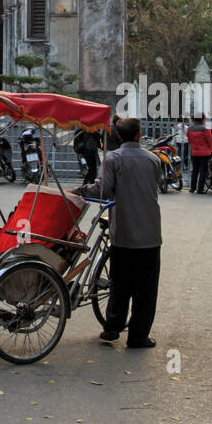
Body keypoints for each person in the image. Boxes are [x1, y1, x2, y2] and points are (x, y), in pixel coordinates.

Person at [76, 116, 162, 349]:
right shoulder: (153, 159)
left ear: (118, 136)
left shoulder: (113, 158)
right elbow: (157, 183)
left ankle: (112, 328)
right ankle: (138, 336)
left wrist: (80, 190)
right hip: (150, 235)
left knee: (120, 284)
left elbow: (102, 189)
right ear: (138, 135)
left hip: (123, 233)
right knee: (146, 289)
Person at [187, 115, 212, 194]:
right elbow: (210, 143)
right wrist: (210, 150)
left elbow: (190, 141)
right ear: (203, 119)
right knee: (203, 171)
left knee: (195, 171)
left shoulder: (190, 129)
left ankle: (192, 188)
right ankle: (200, 189)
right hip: (205, 154)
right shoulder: (206, 129)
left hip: (194, 153)